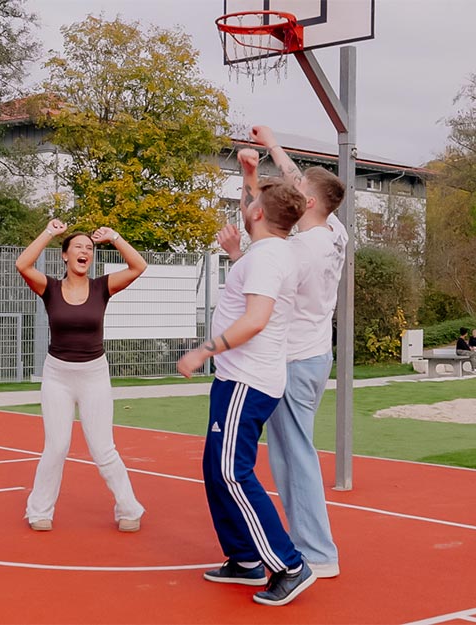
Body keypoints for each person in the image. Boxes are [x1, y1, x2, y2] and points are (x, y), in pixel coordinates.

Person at [177, 149, 314, 607]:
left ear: (257, 214)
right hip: (240, 379)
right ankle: (243, 558)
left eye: (251, 201)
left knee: (230, 473)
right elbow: (258, 204)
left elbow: (255, 320)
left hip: (247, 382)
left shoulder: (267, 258)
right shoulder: (267, 249)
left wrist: (203, 351)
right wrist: (250, 173)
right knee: (215, 470)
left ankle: (289, 564)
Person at [215, 125, 346, 579]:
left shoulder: (300, 251)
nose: (291, 182)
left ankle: (316, 553)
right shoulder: (333, 228)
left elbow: (262, 260)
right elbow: (286, 192)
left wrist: (234, 255)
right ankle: (302, 547)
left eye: (298, 186)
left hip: (294, 355)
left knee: (294, 458)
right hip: (313, 353)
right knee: (291, 454)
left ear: (308, 201)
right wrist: (269, 148)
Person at [15, 221, 146, 532]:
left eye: (89, 248)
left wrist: (114, 236)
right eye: (78, 247)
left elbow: (139, 265)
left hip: (94, 375)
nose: (85, 251)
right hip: (57, 375)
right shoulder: (50, 288)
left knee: (103, 449)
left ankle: (129, 508)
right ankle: (39, 510)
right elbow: (22, 263)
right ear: (65, 256)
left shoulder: (103, 287)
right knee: (56, 446)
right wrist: (48, 231)